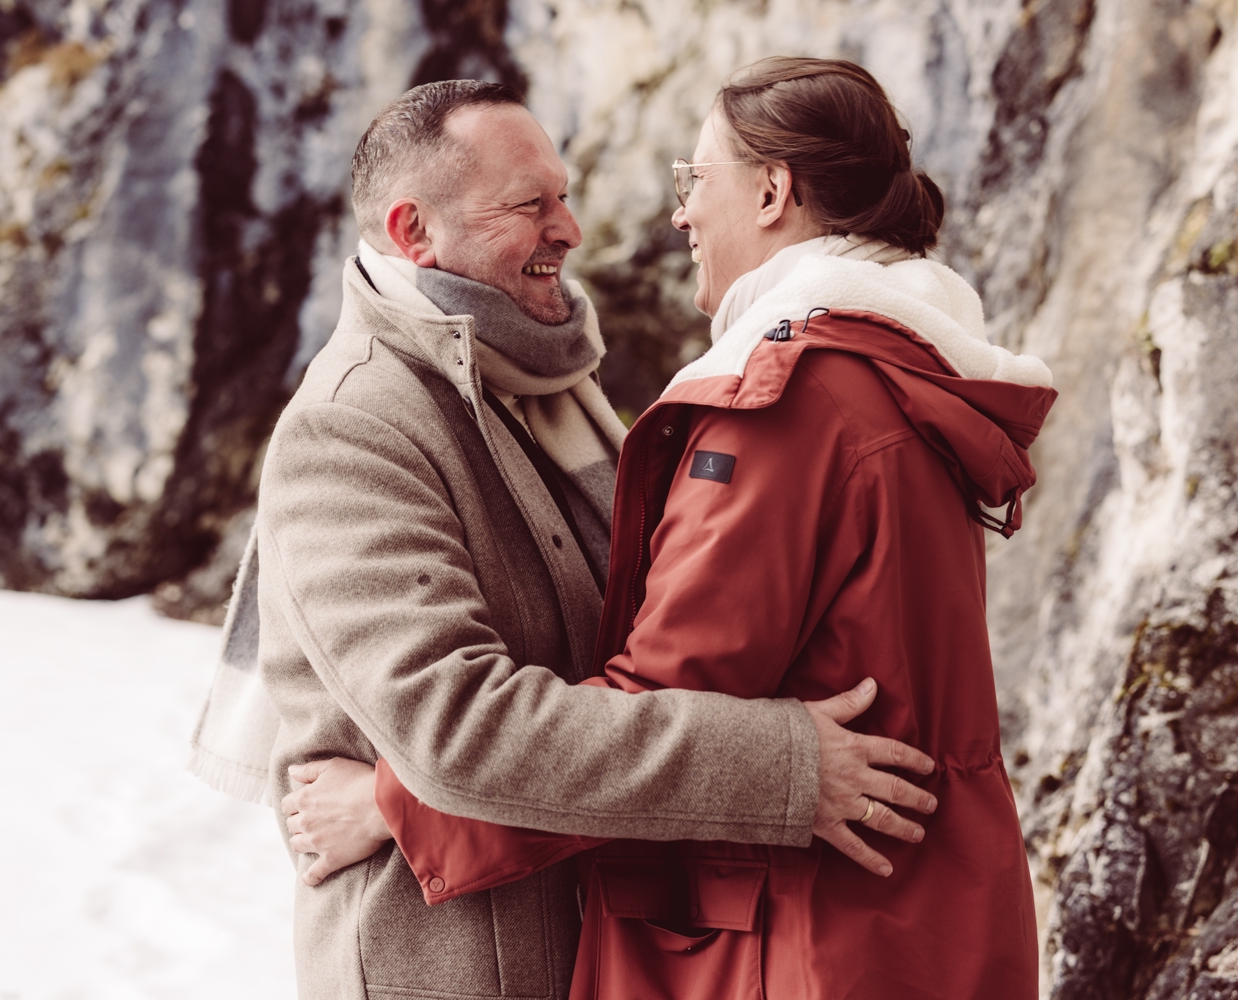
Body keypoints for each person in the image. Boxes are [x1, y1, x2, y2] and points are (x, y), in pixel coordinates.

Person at [286, 60, 1057, 999]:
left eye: (696, 181)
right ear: (414, 229)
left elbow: (676, 675)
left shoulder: (782, 401)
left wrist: (388, 807)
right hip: (887, 917)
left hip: (813, 938)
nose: (671, 217)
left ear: (773, 190)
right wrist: (786, 762)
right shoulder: (903, 370)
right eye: (531, 204)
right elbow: (461, 728)